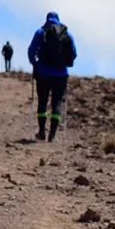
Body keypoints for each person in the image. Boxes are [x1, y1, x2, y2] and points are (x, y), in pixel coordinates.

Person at [27, 12, 77, 142]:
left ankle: (42, 131)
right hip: (61, 74)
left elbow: (31, 50)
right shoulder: (67, 34)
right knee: (57, 103)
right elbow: (74, 53)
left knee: (42, 101)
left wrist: (35, 63)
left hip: (43, 72)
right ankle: (53, 135)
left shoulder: (40, 32)